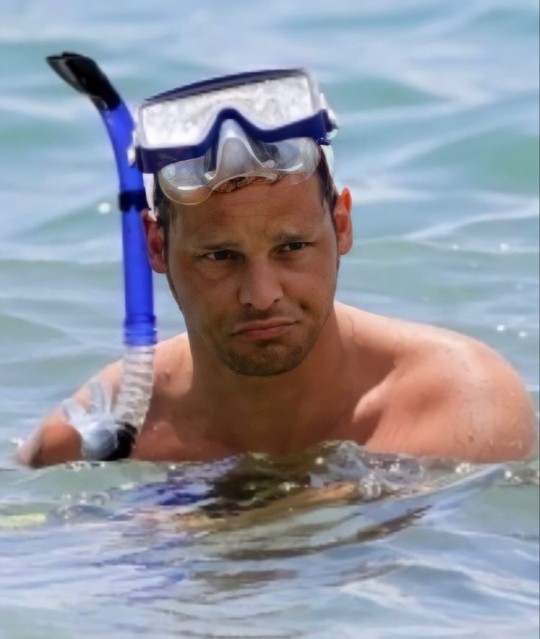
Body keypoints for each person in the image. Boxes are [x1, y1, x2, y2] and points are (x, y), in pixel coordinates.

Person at [18, 68, 537, 468]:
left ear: (342, 225)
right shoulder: (92, 439)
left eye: (291, 247)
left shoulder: (459, 406)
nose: (261, 294)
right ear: (155, 247)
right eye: (219, 256)